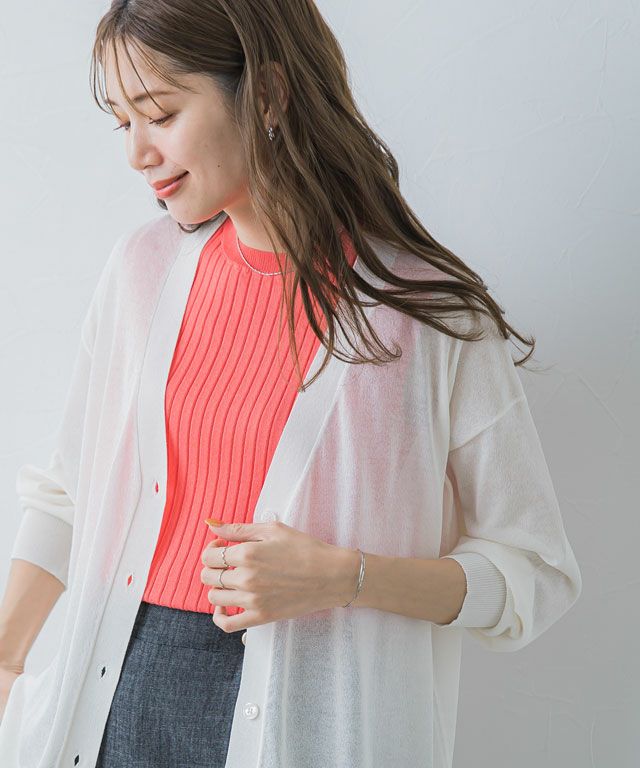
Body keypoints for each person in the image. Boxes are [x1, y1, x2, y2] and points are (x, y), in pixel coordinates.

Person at [0, 2, 582, 767]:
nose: (137, 152)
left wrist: (348, 577)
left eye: (161, 114)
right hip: (114, 698)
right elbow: (70, 490)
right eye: (122, 122)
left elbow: (533, 571)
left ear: (269, 94)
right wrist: (6, 657)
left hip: (312, 719)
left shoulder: (429, 318)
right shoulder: (141, 271)